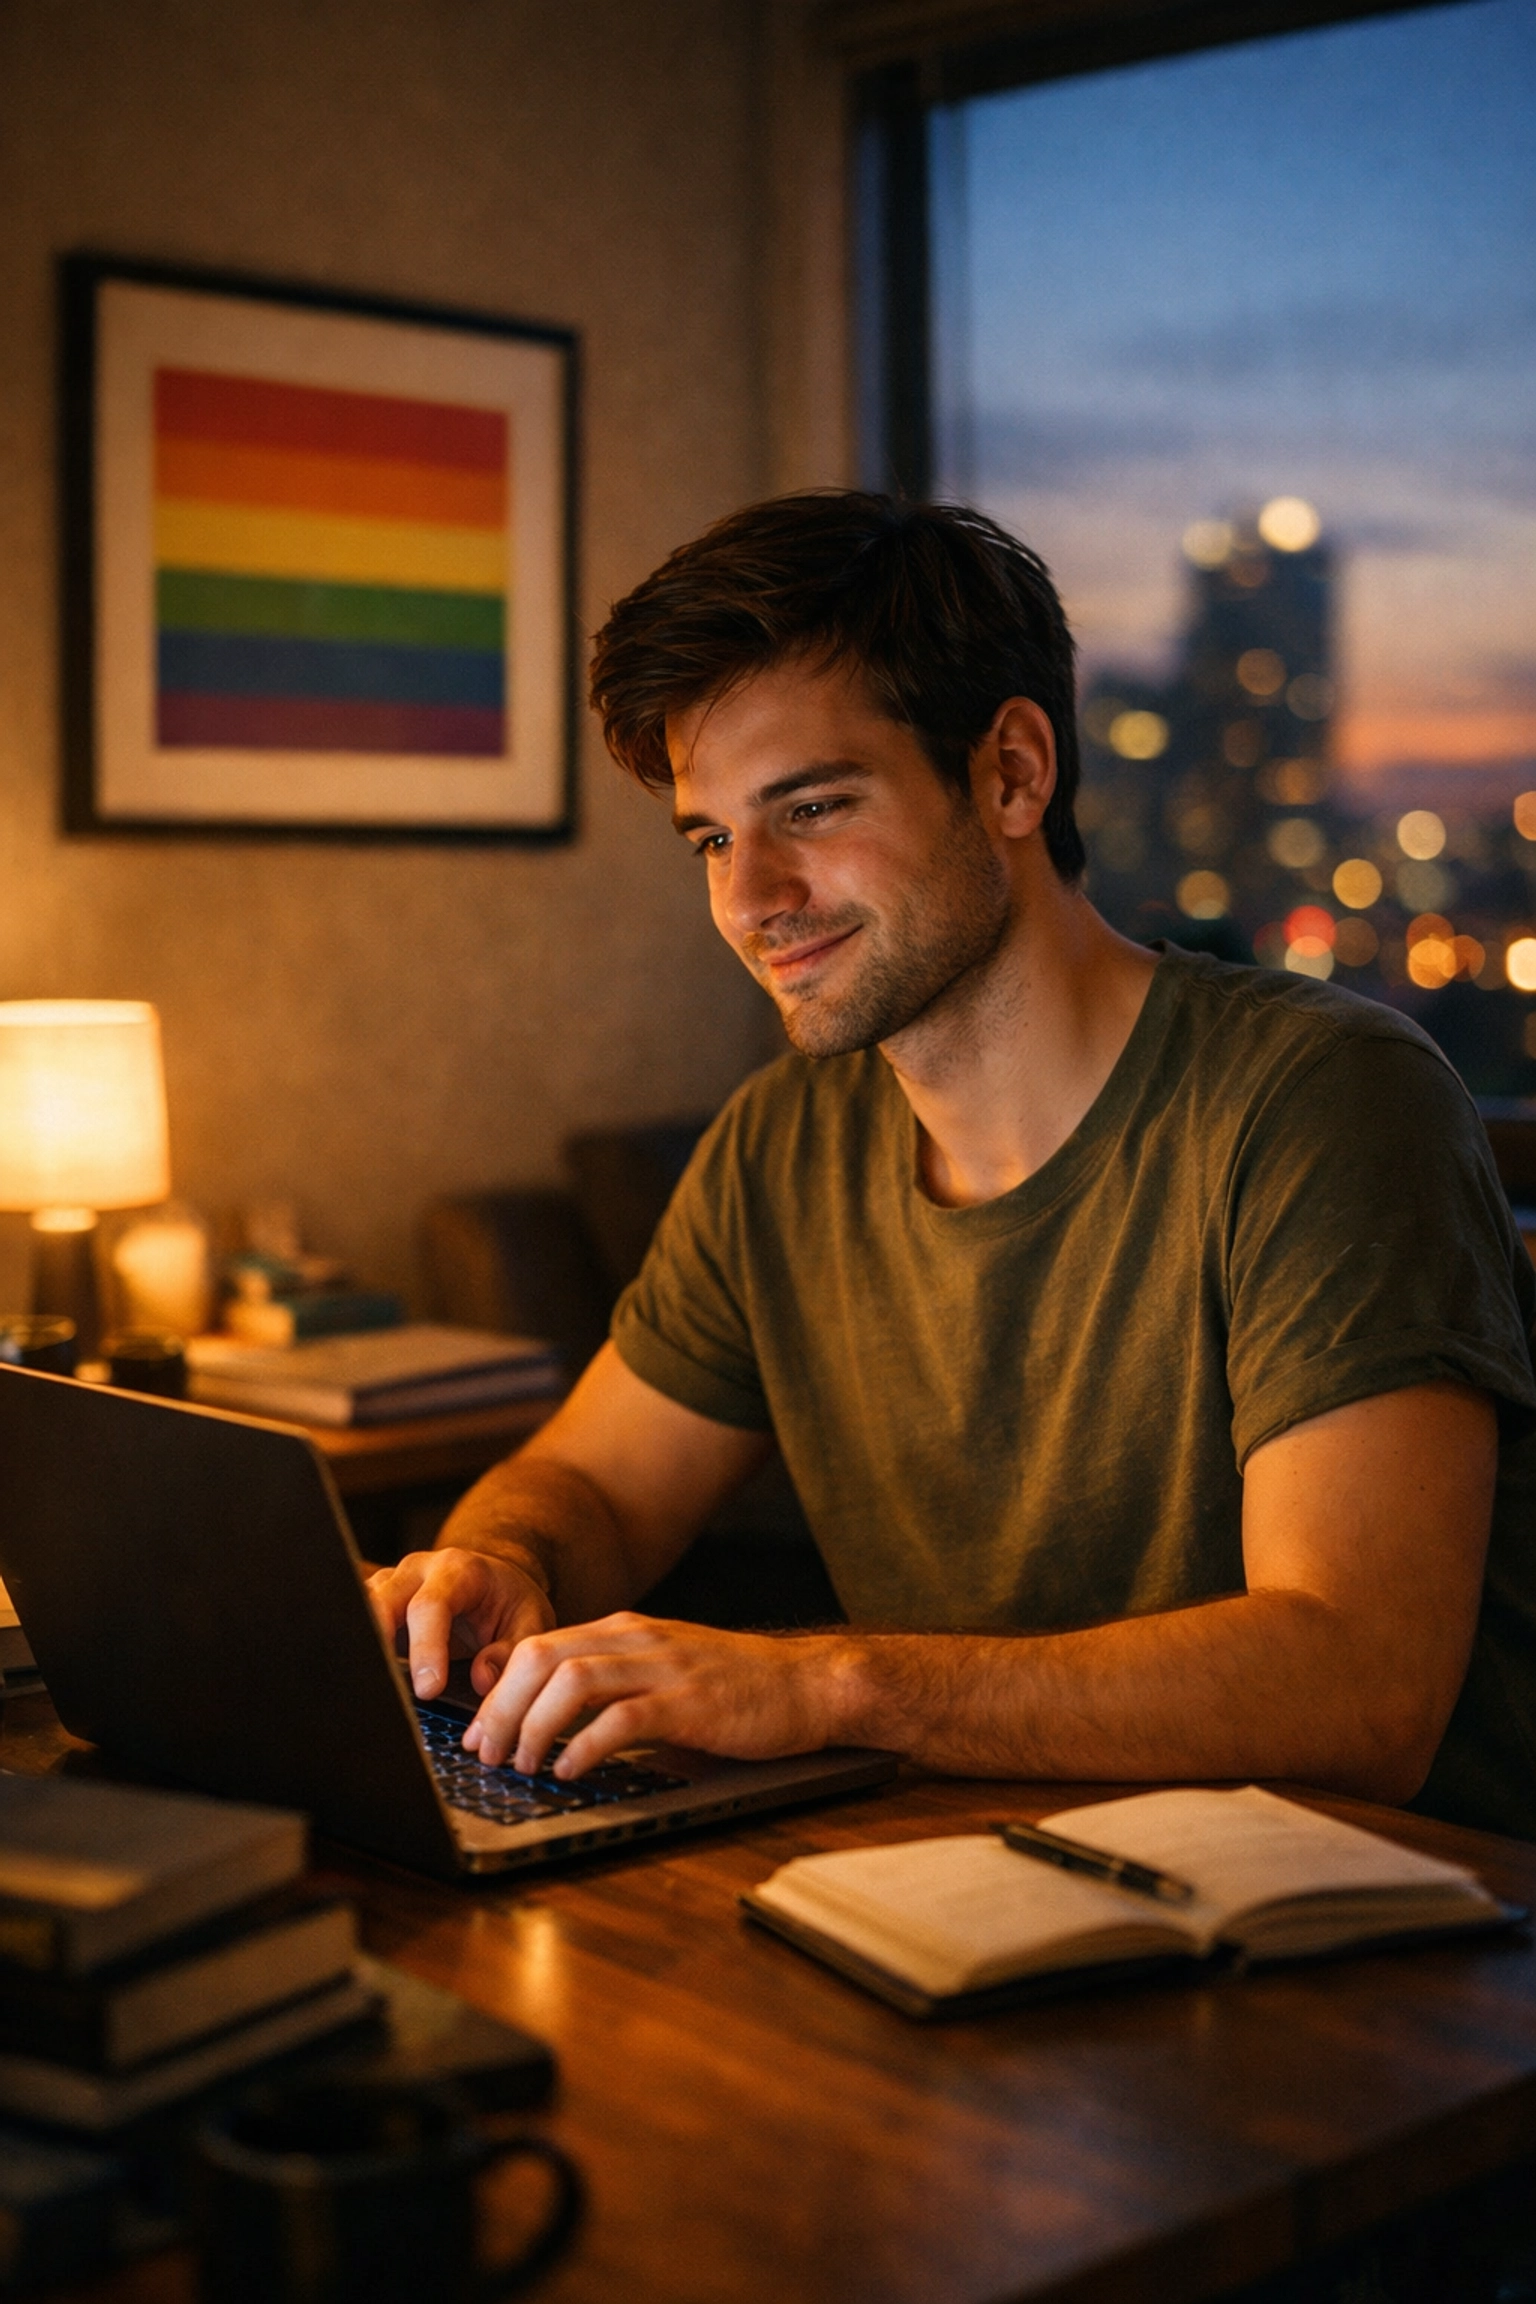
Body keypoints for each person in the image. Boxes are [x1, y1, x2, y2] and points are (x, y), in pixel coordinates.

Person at [369, 493, 1536, 1840]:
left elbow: (1361, 1690)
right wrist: (499, 1559)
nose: (749, 896)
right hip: (996, 1907)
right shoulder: (778, 1148)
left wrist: (833, 1683)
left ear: (1013, 776)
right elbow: (593, 1489)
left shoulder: (1324, 1099)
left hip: (1401, 1957)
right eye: (710, 837)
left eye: (810, 807)